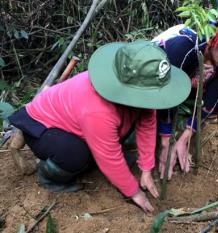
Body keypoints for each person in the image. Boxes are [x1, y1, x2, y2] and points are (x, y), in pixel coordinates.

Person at [7, 40, 191, 212]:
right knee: (75, 154)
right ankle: (48, 177)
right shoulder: (97, 110)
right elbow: (109, 155)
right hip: (42, 125)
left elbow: (147, 123)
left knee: (124, 136)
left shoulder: (143, 91)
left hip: (80, 123)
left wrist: (146, 169)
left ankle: (89, 157)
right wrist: (134, 192)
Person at [154, 14, 218, 180]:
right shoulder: (185, 46)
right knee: (155, 120)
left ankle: (184, 113)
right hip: (159, 82)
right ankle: (169, 120)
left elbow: (213, 96)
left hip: (189, 86)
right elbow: (167, 91)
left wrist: (185, 137)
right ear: (217, 41)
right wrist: (165, 142)